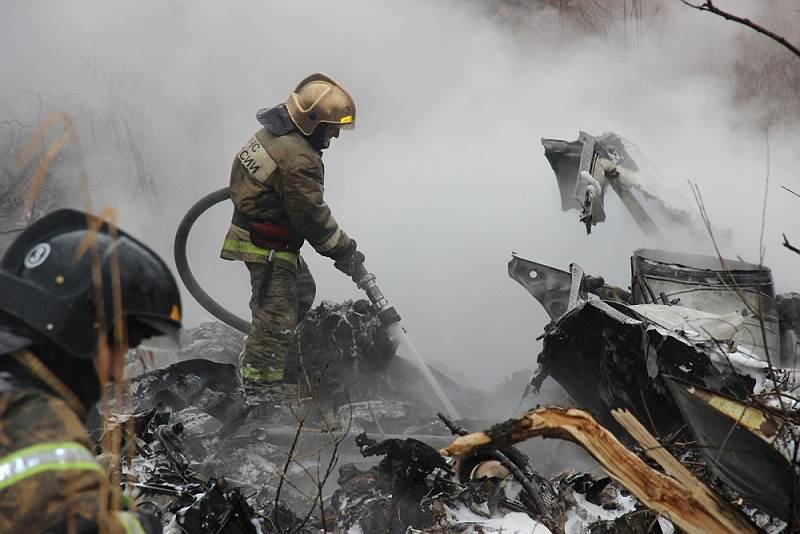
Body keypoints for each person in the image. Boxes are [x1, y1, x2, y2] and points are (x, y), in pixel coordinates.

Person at [0, 209, 183, 533]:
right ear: (75, 326)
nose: (115, 372)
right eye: (116, 347)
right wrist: (140, 526)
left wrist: (84, 485)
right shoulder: (28, 414)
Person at [220, 72, 367, 386]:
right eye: (332, 129)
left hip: (269, 235)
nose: (336, 137)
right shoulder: (299, 159)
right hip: (266, 245)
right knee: (276, 319)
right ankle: (260, 392)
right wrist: (346, 251)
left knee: (302, 291)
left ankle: (267, 354)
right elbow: (311, 217)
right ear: (312, 122)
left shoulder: (275, 133)